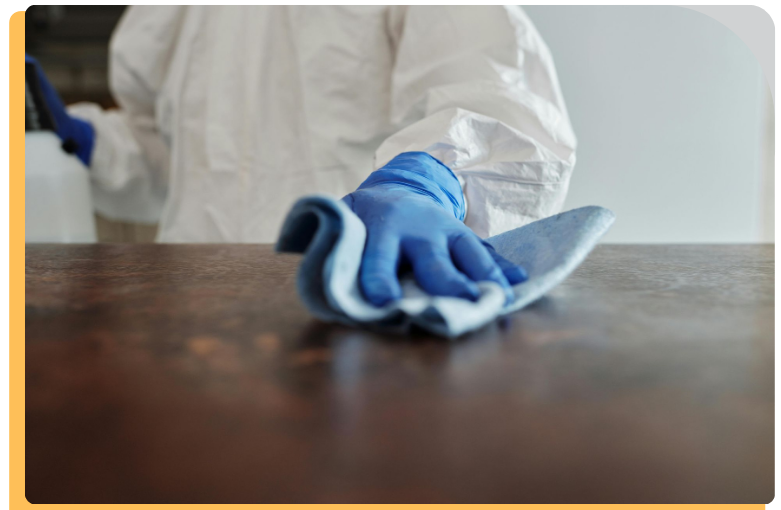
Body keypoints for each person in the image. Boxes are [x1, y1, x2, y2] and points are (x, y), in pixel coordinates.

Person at [27, 5, 576, 307]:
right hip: (192, 307)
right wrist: (89, 141)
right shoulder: (172, 13)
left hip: (355, 295)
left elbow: (501, 96)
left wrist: (428, 177)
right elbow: (171, 163)